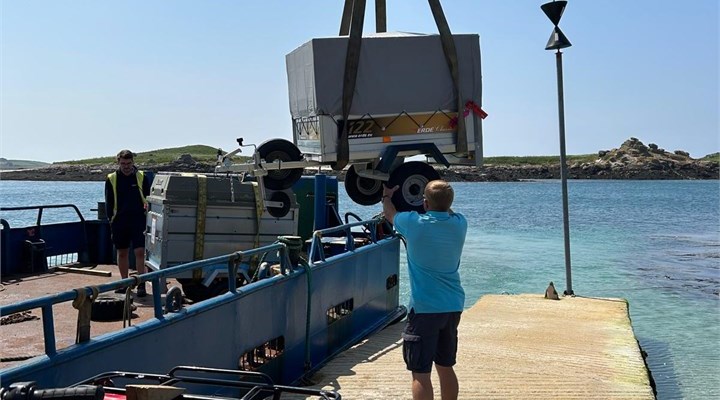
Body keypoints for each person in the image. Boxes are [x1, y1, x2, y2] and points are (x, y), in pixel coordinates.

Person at [382, 179, 467, 400]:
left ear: (425, 203)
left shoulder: (413, 223)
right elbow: (446, 209)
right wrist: (439, 201)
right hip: (452, 307)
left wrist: (387, 195)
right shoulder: (460, 224)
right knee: (445, 366)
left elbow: (390, 214)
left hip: (424, 309)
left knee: (420, 374)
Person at [105, 149, 151, 297]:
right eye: (123, 163)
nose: (126, 166)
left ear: (133, 162)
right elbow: (109, 201)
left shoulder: (141, 177)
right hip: (119, 220)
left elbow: (149, 198)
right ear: (118, 162)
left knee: (140, 252)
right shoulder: (111, 178)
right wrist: (111, 219)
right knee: (122, 252)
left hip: (138, 219)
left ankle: (141, 284)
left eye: (129, 163)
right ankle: (125, 283)